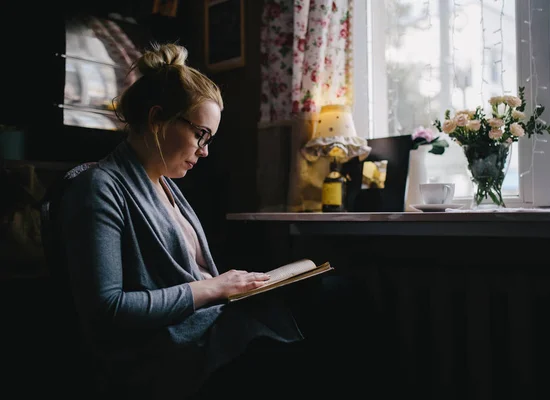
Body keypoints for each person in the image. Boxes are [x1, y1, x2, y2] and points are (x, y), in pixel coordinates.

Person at [57, 42, 383, 399]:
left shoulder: (165, 184)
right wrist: (216, 287)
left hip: (207, 321)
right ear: (156, 119)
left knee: (342, 292)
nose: (205, 150)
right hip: (169, 348)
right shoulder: (98, 187)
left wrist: (241, 288)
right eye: (201, 134)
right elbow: (108, 309)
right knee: (332, 312)